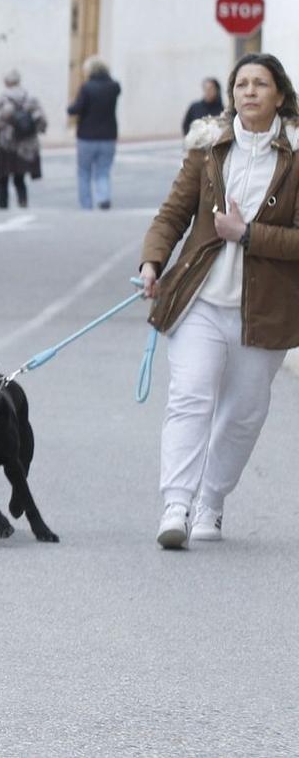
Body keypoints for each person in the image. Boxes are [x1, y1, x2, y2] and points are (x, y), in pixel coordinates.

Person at [137, 53, 299, 548]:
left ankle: (211, 501)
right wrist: (153, 261)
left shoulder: (295, 155)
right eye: (241, 84)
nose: (249, 91)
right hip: (200, 301)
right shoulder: (208, 147)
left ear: (279, 95)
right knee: (190, 399)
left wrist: (248, 234)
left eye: (260, 84)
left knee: (243, 413)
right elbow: (172, 214)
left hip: (266, 311)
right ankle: (177, 505)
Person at [0, 70, 45, 210]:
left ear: (6, 82)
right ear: (19, 81)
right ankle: (23, 201)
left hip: (5, 142)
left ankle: (3, 204)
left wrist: (0, 127)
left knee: (3, 176)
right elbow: (41, 121)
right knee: (20, 176)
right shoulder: (30, 98)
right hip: (25, 142)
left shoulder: (2, 98)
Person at [67, 56, 121, 209]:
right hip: (109, 135)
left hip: (87, 136)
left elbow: (77, 108)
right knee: (103, 170)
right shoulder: (114, 87)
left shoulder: (87, 88)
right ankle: (103, 197)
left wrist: (69, 109)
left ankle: (86, 205)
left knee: (84, 172)